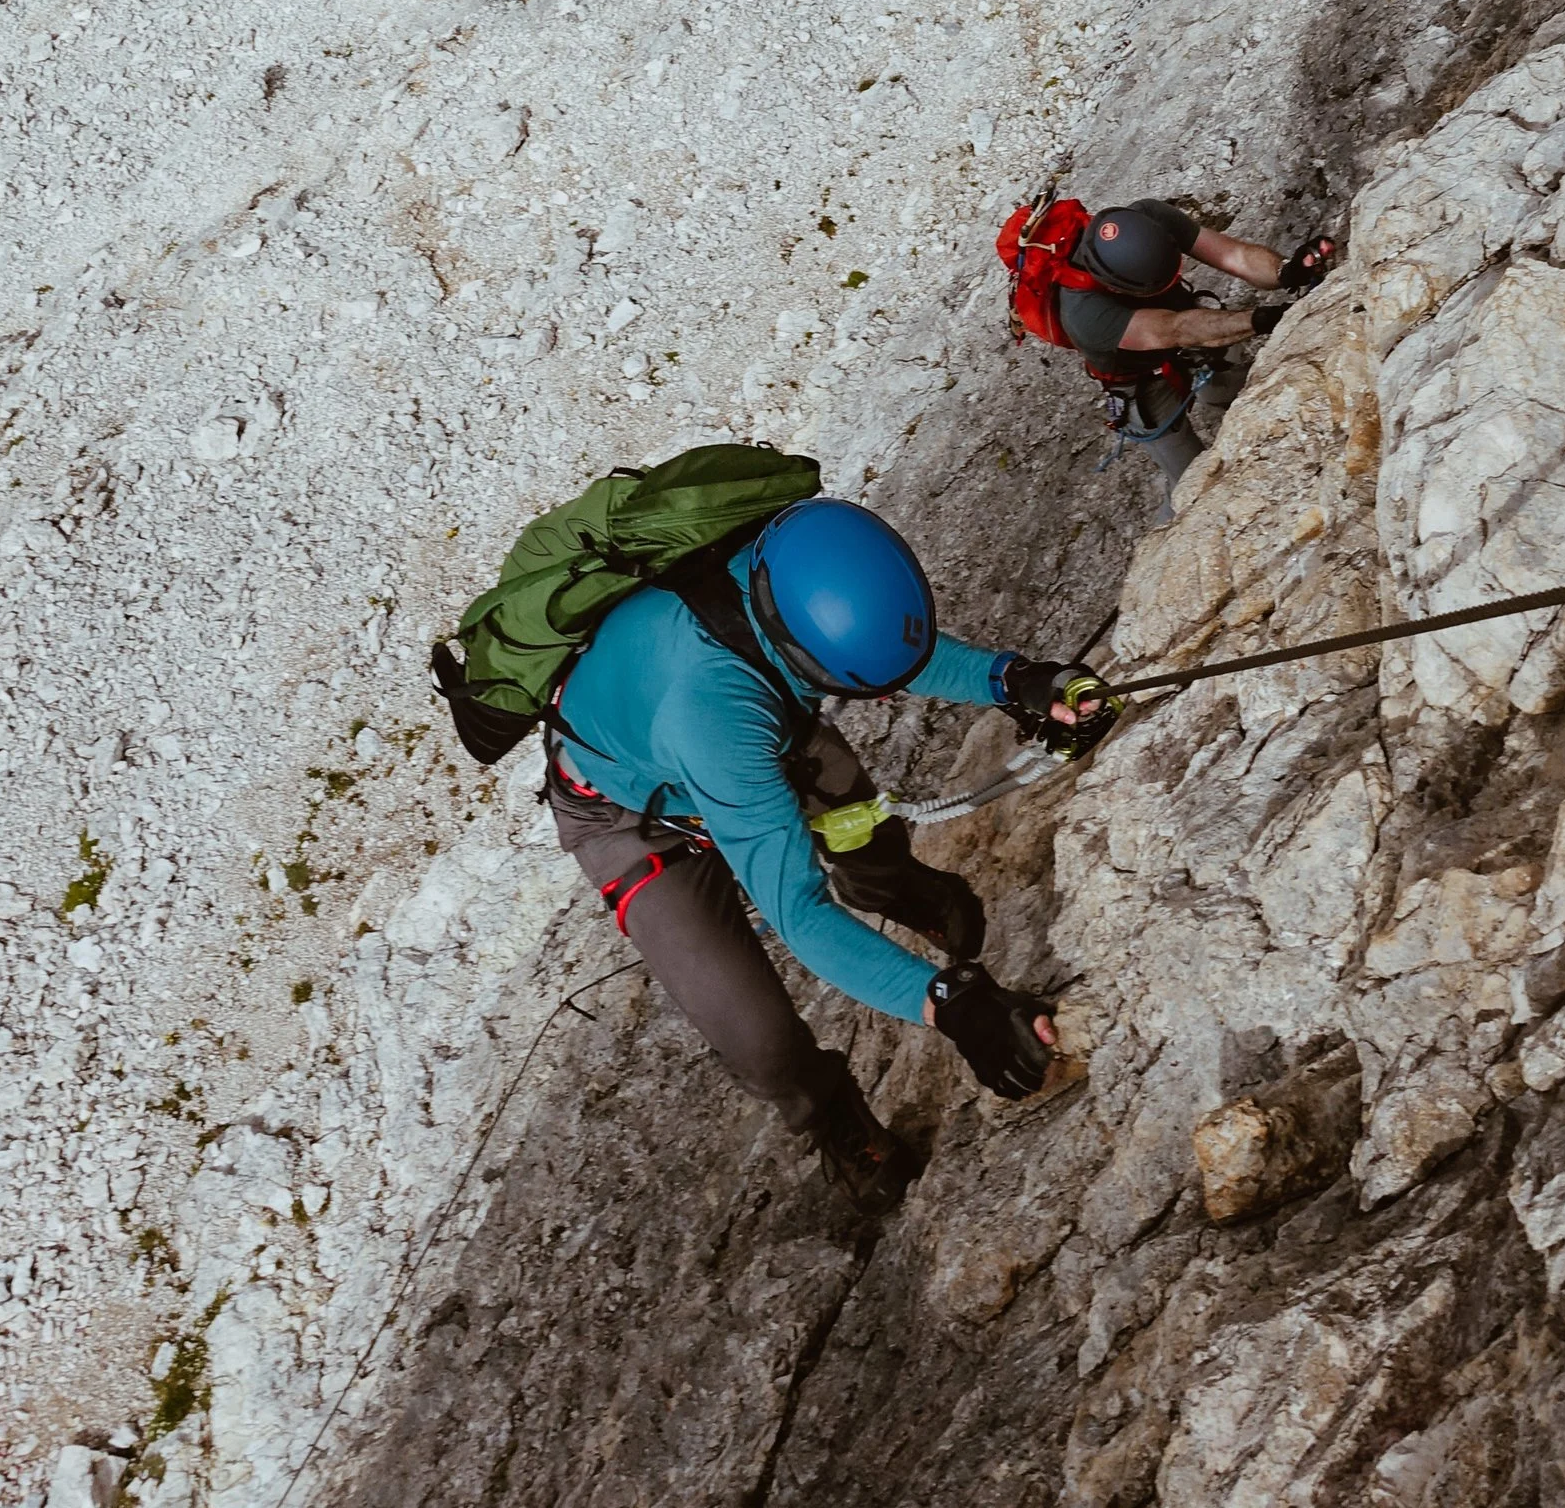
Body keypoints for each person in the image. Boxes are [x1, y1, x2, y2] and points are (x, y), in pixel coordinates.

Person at [535, 495, 1115, 1206]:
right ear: (797, 654)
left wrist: (1012, 680)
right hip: (630, 820)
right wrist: (946, 1005)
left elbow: (885, 648)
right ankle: (830, 1115)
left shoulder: (783, 563)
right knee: (758, 1037)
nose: (869, 702)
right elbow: (797, 914)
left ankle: (901, 891)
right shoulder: (717, 717)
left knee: (869, 839)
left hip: (741, 722)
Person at [999, 193, 1338, 493]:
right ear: (1119, 287)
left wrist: (1286, 271)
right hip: (1143, 387)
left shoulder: (1149, 216)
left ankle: (1219, 392)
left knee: (1224, 379)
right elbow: (1174, 329)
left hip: (1190, 333)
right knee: (1193, 484)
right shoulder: (1084, 314)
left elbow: (1233, 255)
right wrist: (1263, 319)